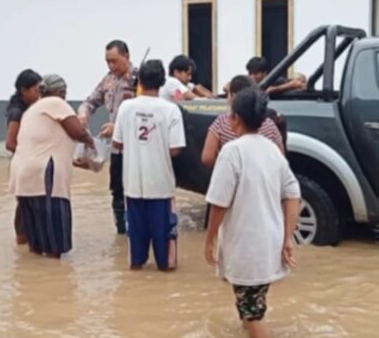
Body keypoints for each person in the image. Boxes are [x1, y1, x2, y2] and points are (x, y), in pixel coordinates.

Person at [204, 88, 301, 338]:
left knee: (251, 313)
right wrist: (288, 237)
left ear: (235, 118)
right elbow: (293, 195)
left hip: (247, 250)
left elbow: (219, 203)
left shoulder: (232, 152)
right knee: (252, 308)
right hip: (269, 245)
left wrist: (210, 239)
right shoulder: (272, 151)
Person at [10, 74, 94, 258]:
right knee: (54, 243)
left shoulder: (32, 110)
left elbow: (45, 143)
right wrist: (93, 144)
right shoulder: (56, 103)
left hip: (23, 176)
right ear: (61, 92)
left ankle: (33, 281)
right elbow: (77, 131)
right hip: (44, 177)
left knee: (36, 244)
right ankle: (55, 282)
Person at [113, 60, 186, 271]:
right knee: (167, 262)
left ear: (140, 81)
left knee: (135, 261)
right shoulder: (171, 110)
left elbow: (118, 143)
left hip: (133, 186)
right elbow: (176, 148)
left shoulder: (126, 107)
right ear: (162, 82)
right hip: (161, 188)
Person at [78, 40, 138, 234]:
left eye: (114, 61)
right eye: (107, 62)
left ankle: (138, 231)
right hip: (117, 149)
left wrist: (118, 126)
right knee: (117, 190)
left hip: (137, 148)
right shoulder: (108, 79)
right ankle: (121, 233)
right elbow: (91, 101)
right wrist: (83, 113)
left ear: (127, 56)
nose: (111, 66)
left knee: (137, 192)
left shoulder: (140, 79)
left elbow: (145, 113)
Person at [201, 75, 283, 167]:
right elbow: (280, 157)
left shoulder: (221, 122)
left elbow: (207, 158)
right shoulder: (269, 124)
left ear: (233, 96)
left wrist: (224, 167)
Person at [5, 68, 43, 245]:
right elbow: (10, 143)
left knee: (32, 206)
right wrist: (31, 154)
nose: (39, 95)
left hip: (29, 163)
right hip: (23, 165)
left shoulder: (31, 109)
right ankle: (22, 242)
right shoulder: (17, 112)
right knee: (25, 207)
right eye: (36, 90)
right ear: (24, 91)